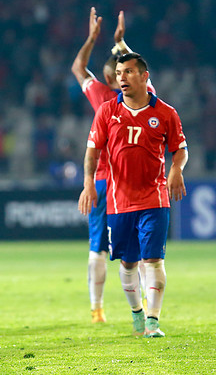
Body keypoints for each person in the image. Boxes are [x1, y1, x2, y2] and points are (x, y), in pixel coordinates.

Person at [78, 52, 188, 338]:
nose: (121, 77)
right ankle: (137, 313)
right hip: (118, 201)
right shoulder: (106, 111)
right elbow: (92, 151)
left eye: (127, 72)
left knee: (153, 261)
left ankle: (153, 320)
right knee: (127, 263)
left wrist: (176, 168)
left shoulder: (165, 112)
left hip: (155, 198)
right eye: (118, 72)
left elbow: (180, 149)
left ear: (143, 76)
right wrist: (88, 183)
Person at [71, 8, 155, 323]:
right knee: (145, 252)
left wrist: (92, 38)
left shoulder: (101, 95)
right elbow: (142, 70)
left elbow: (78, 67)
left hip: (103, 181)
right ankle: (148, 310)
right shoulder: (146, 97)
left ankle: (97, 309)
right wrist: (120, 43)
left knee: (98, 246)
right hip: (134, 185)